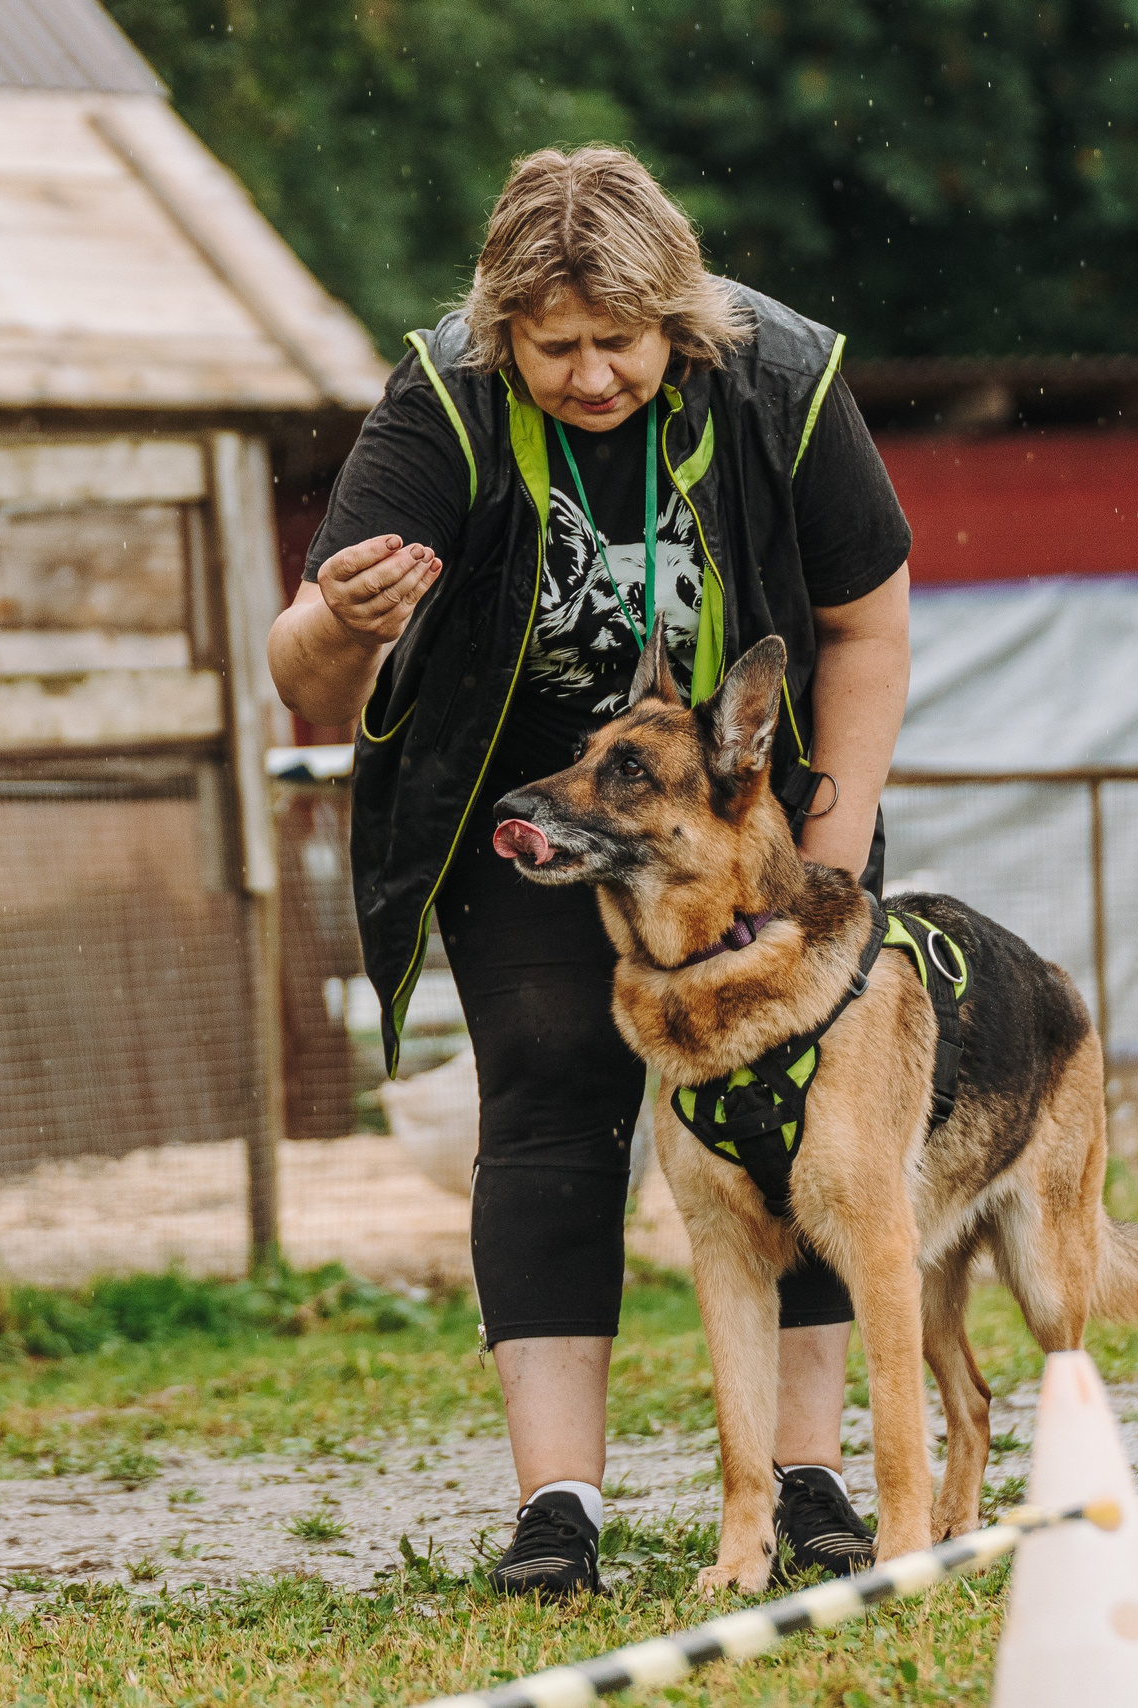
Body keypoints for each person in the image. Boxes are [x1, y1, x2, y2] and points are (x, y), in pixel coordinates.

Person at [267, 145, 912, 1599]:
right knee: (551, 1090)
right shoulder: (445, 397)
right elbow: (299, 666)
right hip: (541, 807)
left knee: (799, 1117)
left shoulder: (782, 380)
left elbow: (866, 626)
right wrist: (345, 622)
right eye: (553, 348)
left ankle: (810, 1480)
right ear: (504, 332)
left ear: (677, 319)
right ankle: (559, 1509)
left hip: (745, 809)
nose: (591, 376)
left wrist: (834, 845)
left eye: (618, 343)